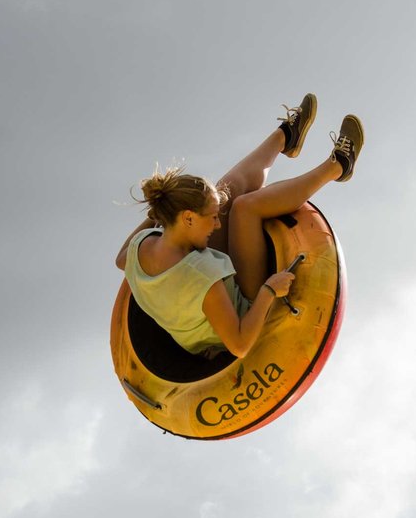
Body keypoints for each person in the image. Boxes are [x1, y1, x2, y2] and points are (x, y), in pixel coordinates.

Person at [115, 94, 363, 359]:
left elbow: (121, 260)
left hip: (196, 294)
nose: (218, 222)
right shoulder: (201, 275)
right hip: (240, 318)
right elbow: (239, 345)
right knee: (246, 208)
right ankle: (337, 167)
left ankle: (285, 136)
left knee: (226, 191)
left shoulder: (140, 246)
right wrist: (269, 290)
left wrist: (162, 211)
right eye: (212, 217)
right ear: (187, 218)